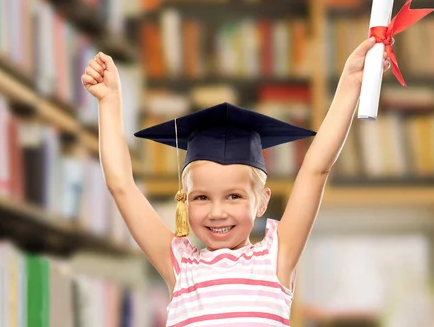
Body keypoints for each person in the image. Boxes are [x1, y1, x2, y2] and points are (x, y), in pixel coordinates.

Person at [81, 36, 387, 326]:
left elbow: (315, 170)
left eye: (234, 196)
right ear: (184, 202)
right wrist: (109, 102)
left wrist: (350, 84)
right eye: (201, 197)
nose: (217, 212)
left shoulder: (275, 257)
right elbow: (121, 186)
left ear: (262, 201)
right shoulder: (181, 267)